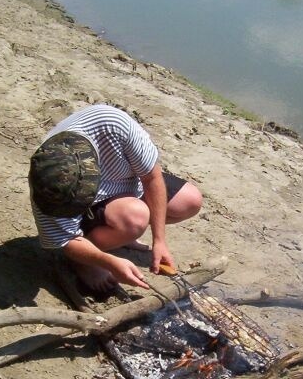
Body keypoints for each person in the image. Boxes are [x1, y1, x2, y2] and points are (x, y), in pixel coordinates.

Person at [29, 104, 202, 291]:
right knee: (135, 218)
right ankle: (84, 260)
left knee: (190, 201)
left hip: (126, 182)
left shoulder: (113, 125)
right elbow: (65, 240)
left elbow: (152, 177)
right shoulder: (48, 185)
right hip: (98, 211)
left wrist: (159, 240)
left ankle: (118, 235)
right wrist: (107, 261)